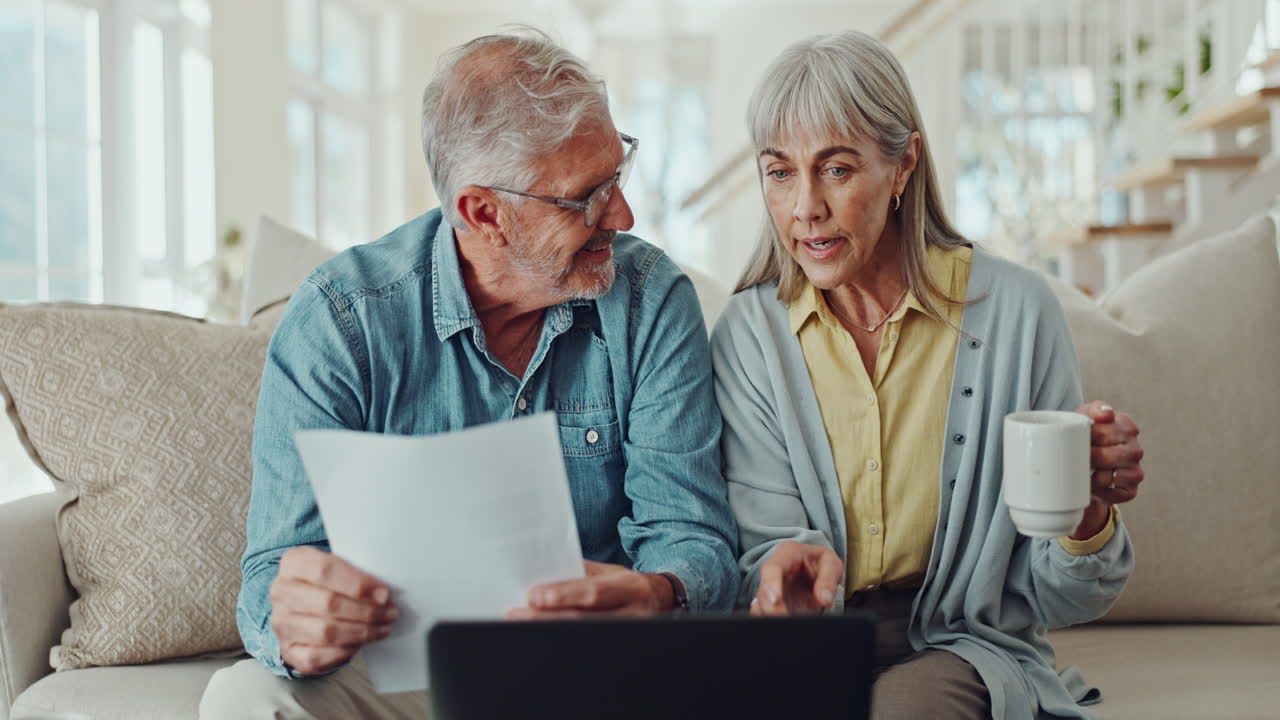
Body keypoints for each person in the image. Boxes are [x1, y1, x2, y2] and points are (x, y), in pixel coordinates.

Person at [199, 28, 739, 719]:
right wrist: (298, 622)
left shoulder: (651, 301)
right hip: (407, 672)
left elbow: (693, 537)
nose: (624, 215)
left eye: (618, 175)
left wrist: (659, 591)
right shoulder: (340, 323)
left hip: (602, 670)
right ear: (484, 214)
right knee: (245, 696)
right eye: (586, 197)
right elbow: (270, 576)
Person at [710, 30, 1144, 720]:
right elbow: (763, 552)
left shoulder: (1017, 316)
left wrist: (1087, 511)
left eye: (837, 169)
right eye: (780, 172)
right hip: (810, 648)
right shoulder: (749, 338)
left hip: (962, 646)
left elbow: (1066, 598)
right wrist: (779, 573)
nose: (805, 209)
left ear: (903, 163)